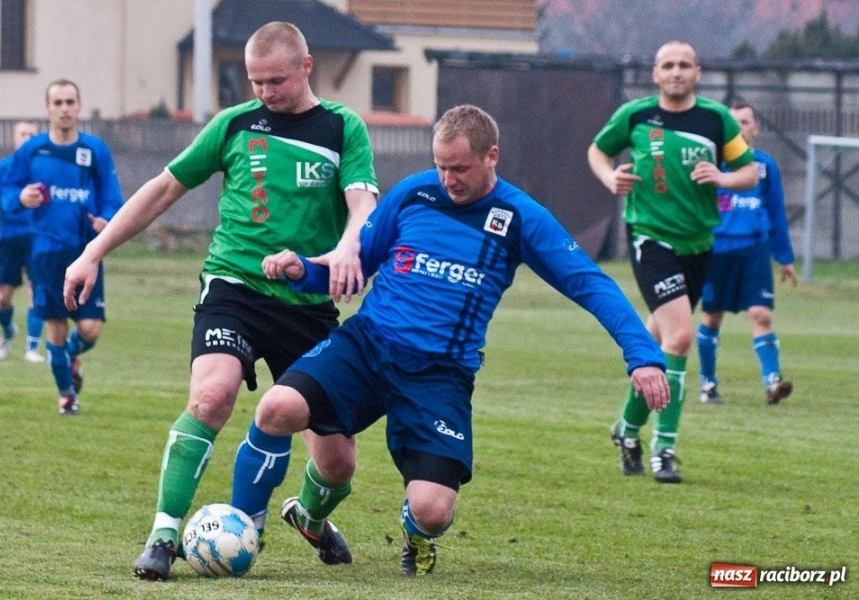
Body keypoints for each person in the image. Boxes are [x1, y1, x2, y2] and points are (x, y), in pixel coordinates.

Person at [242, 104, 670, 577]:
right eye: (441, 166)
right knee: (276, 408)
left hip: (439, 375)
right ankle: (249, 526)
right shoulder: (412, 194)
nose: (448, 179)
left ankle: (415, 533)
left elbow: (590, 283)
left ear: (492, 157)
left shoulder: (519, 216)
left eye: (460, 168)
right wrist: (304, 270)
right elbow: (356, 266)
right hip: (367, 345)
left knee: (433, 510)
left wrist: (643, 355)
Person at [62, 22, 379, 581]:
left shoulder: (341, 128)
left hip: (307, 305)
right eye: (254, 81)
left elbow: (362, 201)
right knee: (212, 396)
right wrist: (93, 252)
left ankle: (307, 514)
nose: (263, 92)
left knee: (337, 460)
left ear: (306, 67)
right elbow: (163, 190)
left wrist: (350, 246)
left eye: (275, 80)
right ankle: (163, 534)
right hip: (234, 286)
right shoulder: (234, 125)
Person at [587, 41, 759, 483]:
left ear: (697, 72)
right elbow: (598, 150)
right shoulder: (636, 116)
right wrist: (611, 177)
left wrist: (723, 176)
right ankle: (664, 449)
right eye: (668, 65)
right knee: (680, 338)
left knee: (654, 343)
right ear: (655, 72)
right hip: (650, 238)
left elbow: (750, 171)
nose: (676, 72)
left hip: (700, 242)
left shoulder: (717, 119)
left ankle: (626, 429)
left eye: (684, 65)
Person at [5, 80, 124, 416]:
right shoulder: (32, 151)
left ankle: (72, 354)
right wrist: (19, 197)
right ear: (48, 109)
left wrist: (107, 220)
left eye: (70, 101)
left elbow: (113, 198)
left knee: (90, 330)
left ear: (79, 106)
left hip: (86, 252)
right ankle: (67, 396)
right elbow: (8, 193)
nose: (64, 108)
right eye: (57, 102)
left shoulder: (95, 150)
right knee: (56, 325)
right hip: (45, 253)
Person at [697, 101, 797, 405]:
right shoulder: (711, 164)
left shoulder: (764, 167)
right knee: (712, 316)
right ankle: (708, 385)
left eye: (745, 121)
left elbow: (776, 211)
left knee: (761, 313)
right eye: (734, 121)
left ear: (756, 128)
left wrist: (785, 256)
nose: (740, 127)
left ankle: (772, 382)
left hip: (754, 248)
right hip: (716, 248)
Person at [0, 120, 45, 363]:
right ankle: (8, 331)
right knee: (4, 296)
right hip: (8, 237)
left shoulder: (44, 169)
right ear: (14, 138)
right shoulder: (2, 168)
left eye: (32, 134)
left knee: (36, 290)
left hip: (38, 237)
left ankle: (32, 348)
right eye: (23, 133)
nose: (27, 137)